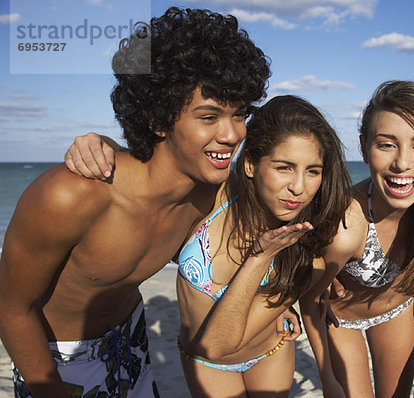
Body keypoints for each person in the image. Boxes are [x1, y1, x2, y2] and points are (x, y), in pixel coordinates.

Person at [0, 7, 270, 398]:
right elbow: (10, 306)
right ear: (158, 119)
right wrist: (49, 388)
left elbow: (245, 249)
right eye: (209, 117)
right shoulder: (71, 195)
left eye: (240, 114)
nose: (231, 134)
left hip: (132, 341)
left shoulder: (209, 193)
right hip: (56, 360)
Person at [176, 95, 351, 396]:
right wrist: (99, 144)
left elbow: (217, 343)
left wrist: (260, 257)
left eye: (313, 171)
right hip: (206, 364)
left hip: (269, 353)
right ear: (250, 165)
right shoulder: (212, 197)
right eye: (284, 167)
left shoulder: (304, 258)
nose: (299, 187)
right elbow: (154, 170)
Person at [300, 81, 414, 398]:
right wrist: (326, 377)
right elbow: (310, 298)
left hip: (397, 309)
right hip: (342, 321)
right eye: (387, 145)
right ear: (364, 147)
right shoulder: (346, 226)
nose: (403, 163)